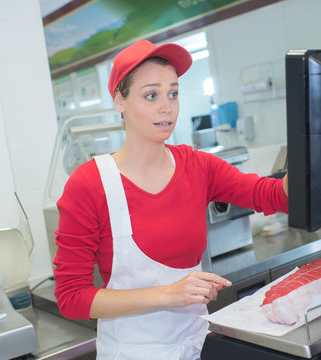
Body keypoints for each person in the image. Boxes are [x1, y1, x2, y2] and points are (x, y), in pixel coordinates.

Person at [53, 39, 289, 359]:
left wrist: (310, 159)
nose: (167, 107)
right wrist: (166, 295)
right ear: (119, 100)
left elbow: (270, 194)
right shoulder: (90, 184)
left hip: (196, 345)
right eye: (151, 95)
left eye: (173, 93)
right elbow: (71, 298)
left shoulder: (197, 166)